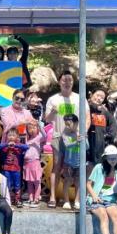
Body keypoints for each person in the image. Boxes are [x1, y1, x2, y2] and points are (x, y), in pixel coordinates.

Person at [44, 70, 90, 209]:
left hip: (76, 138)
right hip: (58, 136)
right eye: (64, 80)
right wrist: (53, 111)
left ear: (73, 82)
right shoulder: (53, 99)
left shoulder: (80, 98)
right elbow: (47, 119)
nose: (67, 82)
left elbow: (87, 118)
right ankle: (53, 197)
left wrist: (83, 132)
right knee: (57, 166)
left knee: (77, 167)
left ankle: (76, 200)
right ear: (59, 82)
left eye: (70, 80)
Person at [86, 145, 117, 234]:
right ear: (105, 158)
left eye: (115, 158)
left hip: (110, 199)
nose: (113, 160)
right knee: (104, 216)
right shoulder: (98, 167)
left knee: (116, 218)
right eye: (110, 158)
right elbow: (88, 184)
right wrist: (94, 196)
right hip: (96, 198)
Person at [0, 128, 29, 208]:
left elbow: (27, 147)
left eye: (13, 135)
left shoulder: (19, 146)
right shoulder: (5, 145)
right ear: (7, 136)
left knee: (17, 185)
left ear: (17, 137)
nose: (11, 137)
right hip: (7, 169)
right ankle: (8, 199)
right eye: (9, 135)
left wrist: (15, 145)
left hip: (16, 169)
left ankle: (17, 200)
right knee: (8, 184)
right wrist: (7, 144)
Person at [59, 114, 85, 210]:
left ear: (76, 123)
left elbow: (87, 147)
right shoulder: (65, 133)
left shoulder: (81, 133)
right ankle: (66, 201)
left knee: (78, 182)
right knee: (67, 181)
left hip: (79, 162)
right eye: (65, 124)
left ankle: (77, 201)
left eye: (68, 124)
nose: (67, 126)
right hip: (68, 163)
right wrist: (76, 141)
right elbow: (67, 145)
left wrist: (84, 140)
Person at [87, 89, 117, 166]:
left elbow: (113, 123)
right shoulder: (85, 107)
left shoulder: (104, 112)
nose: (99, 98)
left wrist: (109, 136)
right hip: (87, 143)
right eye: (97, 95)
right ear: (91, 95)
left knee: (99, 166)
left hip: (100, 145)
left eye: (102, 97)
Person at [24, 119, 46, 208]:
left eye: (34, 128)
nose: (32, 130)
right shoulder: (27, 139)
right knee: (29, 182)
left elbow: (45, 135)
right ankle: (30, 198)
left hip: (35, 162)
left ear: (37, 129)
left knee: (37, 182)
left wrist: (39, 126)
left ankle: (36, 199)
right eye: (30, 128)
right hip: (27, 163)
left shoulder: (38, 137)